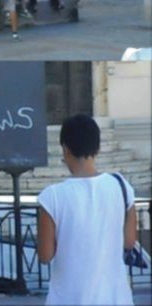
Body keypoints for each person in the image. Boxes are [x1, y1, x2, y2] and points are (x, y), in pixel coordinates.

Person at [37, 114, 136, 305]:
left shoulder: (52, 197)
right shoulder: (122, 186)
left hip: (69, 298)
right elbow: (130, 242)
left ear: (65, 149)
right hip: (115, 298)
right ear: (97, 148)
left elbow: (45, 255)